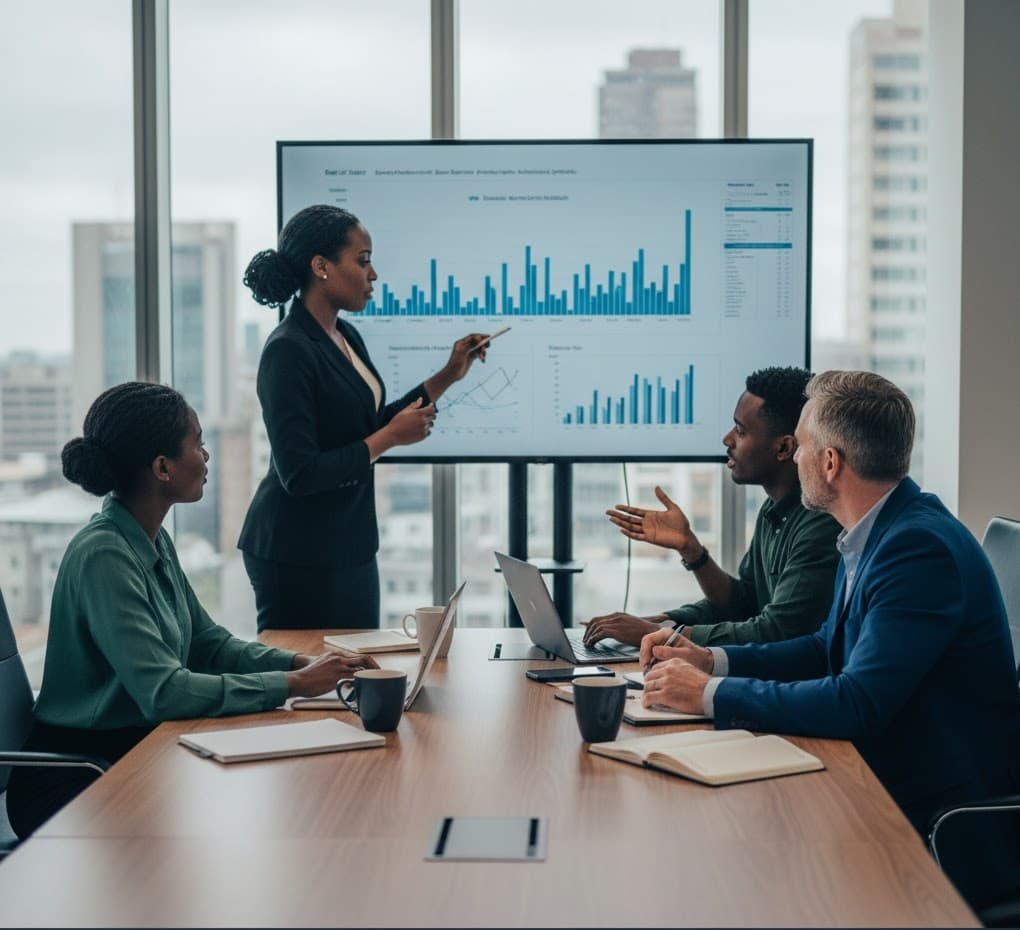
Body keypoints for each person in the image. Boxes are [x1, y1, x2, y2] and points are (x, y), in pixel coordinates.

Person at [640, 370, 1020, 909]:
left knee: (747, 875)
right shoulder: (874, 529)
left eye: (803, 446)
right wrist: (713, 661)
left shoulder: (917, 549)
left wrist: (706, 696)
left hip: (937, 822)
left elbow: (858, 702)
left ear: (830, 462)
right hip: (882, 781)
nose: (794, 457)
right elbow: (825, 647)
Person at [5, 382, 378, 840]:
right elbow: (163, 692)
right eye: (198, 444)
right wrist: (292, 685)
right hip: (79, 774)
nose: (207, 456)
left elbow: (206, 642)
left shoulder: (149, 537)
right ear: (162, 467)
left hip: (134, 751)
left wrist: (300, 664)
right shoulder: (105, 553)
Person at [239, 204, 491, 631]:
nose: (372, 274)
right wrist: (390, 439)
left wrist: (449, 374)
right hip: (297, 550)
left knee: (357, 668)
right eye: (363, 261)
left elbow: (369, 425)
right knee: (313, 681)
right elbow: (299, 473)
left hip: (349, 543)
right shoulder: (288, 349)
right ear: (321, 266)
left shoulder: (344, 335)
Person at [584, 367, 840, 648]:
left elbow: (778, 631)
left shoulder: (820, 522)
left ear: (784, 448)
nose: (727, 439)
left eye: (740, 431)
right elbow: (744, 602)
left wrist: (661, 636)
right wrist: (667, 614)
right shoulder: (773, 510)